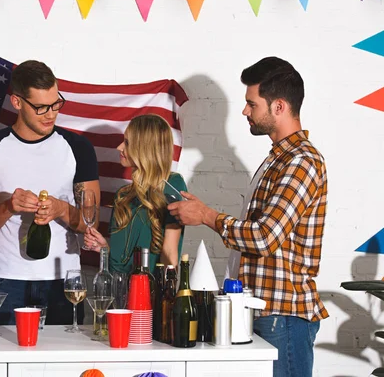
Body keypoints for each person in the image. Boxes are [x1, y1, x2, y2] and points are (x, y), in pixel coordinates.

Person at [167, 57, 328, 377]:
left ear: (279, 106)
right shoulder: (277, 160)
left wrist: (206, 215)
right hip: (263, 312)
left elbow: (265, 237)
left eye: (251, 104)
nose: (245, 111)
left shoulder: (300, 161)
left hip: (282, 317)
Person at [0, 60, 100, 325]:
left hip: (63, 281)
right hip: (4, 279)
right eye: (41, 107)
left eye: (56, 104)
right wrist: (8, 207)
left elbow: (92, 224)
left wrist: (61, 209)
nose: (51, 114)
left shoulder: (78, 147)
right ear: (17, 103)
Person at [83, 114, 186, 273]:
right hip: (117, 290)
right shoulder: (122, 196)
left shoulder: (173, 184)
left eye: (127, 143)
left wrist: (167, 293)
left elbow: (170, 252)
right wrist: (104, 248)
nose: (119, 148)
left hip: (149, 291)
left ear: (145, 147)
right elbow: (119, 263)